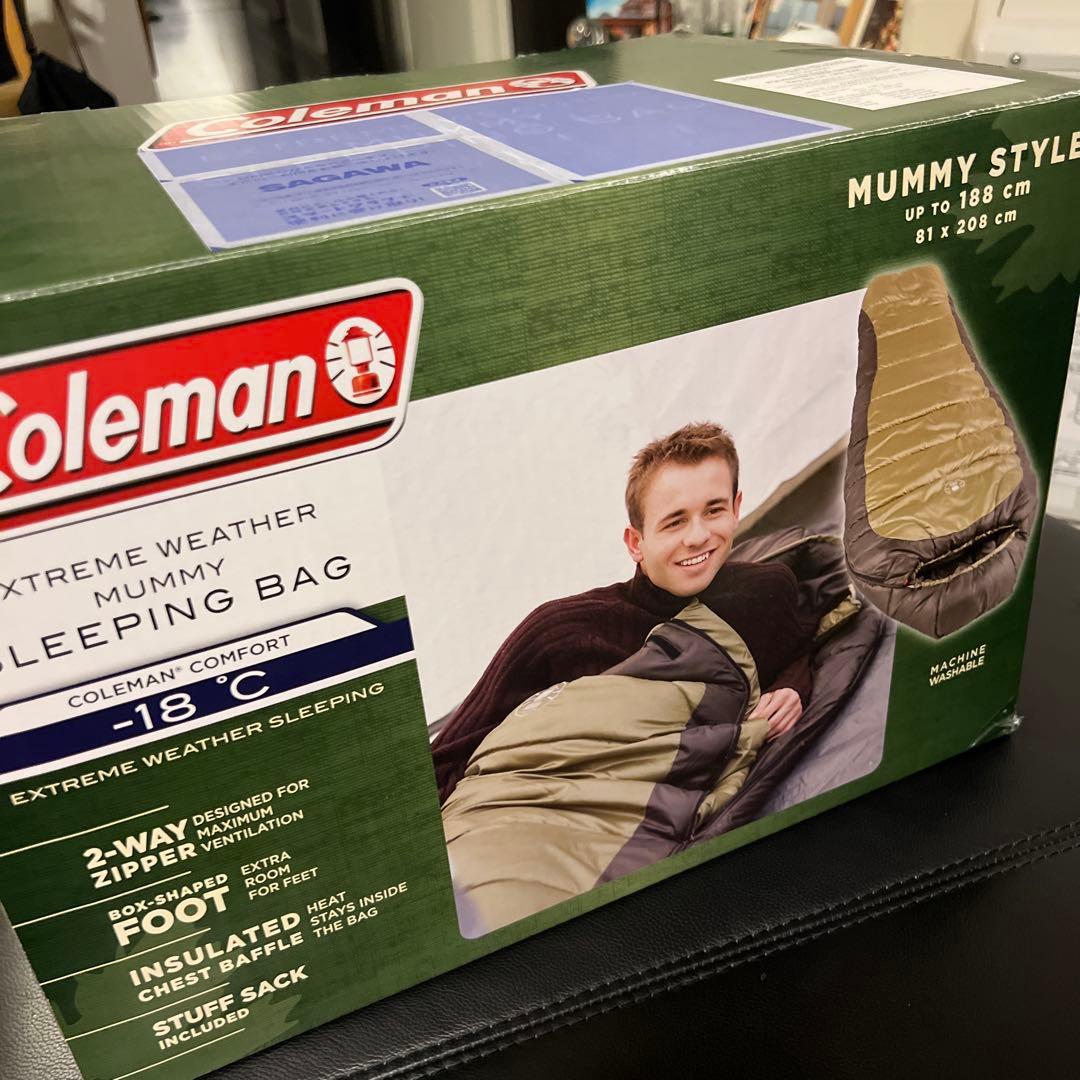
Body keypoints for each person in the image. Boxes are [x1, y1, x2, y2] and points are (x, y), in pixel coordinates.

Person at [432, 421, 822, 803]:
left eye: (714, 510)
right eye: (674, 522)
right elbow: (446, 759)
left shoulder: (765, 591)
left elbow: (801, 644)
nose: (698, 536)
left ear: (736, 508)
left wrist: (791, 688)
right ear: (635, 542)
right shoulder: (559, 633)